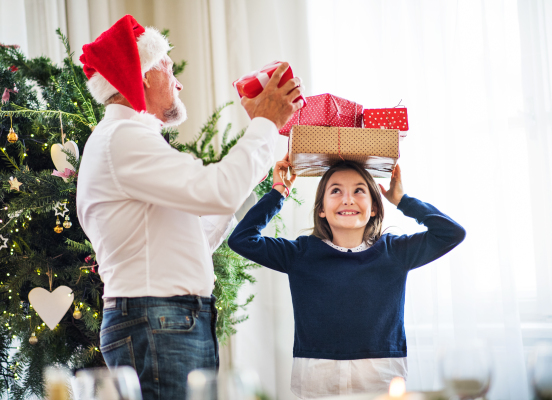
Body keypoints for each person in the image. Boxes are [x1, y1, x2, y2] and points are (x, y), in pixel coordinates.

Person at [76, 15, 304, 400]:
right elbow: (215, 190)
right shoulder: (125, 138)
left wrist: (251, 174)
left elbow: (193, 237)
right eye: (167, 66)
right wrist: (265, 124)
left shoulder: (123, 141)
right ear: (145, 75)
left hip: (164, 319)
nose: (178, 81)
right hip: (159, 320)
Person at [228, 157, 466, 398]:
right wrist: (279, 192)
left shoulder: (394, 252)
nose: (348, 199)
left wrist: (402, 201)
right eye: (336, 191)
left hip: (381, 372)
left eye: (359, 190)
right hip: (316, 375)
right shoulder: (301, 253)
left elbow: (451, 233)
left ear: (374, 207)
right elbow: (242, 239)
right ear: (321, 209)